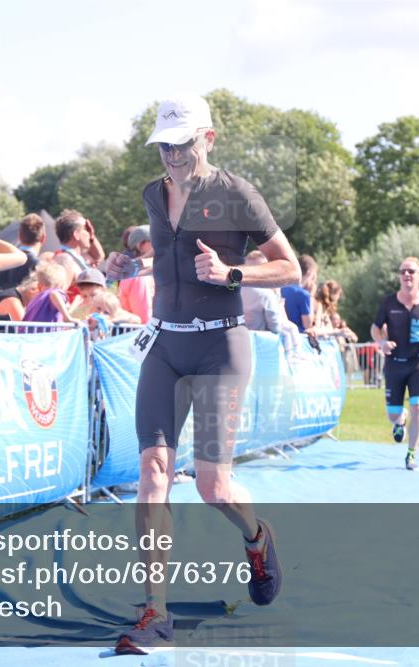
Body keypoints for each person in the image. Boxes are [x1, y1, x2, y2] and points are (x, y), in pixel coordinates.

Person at [102, 95, 300, 654]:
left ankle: (258, 539)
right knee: (154, 470)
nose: (171, 155)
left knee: (213, 486)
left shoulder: (236, 194)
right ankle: (155, 612)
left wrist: (234, 271)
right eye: (163, 145)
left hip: (221, 347)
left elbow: (288, 265)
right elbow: (164, 262)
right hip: (165, 347)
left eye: (181, 144)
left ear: (207, 139)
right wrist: (125, 266)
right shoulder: (152, 194)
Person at [370, 256, 419, 471]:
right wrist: (381, 342)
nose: (406, 275)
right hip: (394, 364)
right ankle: (400, 420)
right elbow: (375, 328)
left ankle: (411, 454)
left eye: (411, 271)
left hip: (417, 364)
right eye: (403, 271)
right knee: (393, 414)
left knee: (418, 408)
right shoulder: (389, 302)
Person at [53, 209, 105, 303]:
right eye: (86, 230)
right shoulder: (65, 259)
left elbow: (99, 257)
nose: (89, 234)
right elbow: (57, 295)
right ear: (76, 234)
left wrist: (92, 236)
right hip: (74, 316)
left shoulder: (76, 257)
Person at [0, 212, 45, 291]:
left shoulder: (5, 259)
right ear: (43, 238)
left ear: (19, 236)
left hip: (2, 301)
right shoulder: (40, 266)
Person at [241, 250, 288, 333]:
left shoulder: (235, 291)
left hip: (240, 338)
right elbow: (276, 327)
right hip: (261, 342)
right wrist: (279, 305)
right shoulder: (266, 294)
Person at [118, 225, 155, 324]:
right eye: (155, 240)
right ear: (140, 246)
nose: (160, 244)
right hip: (141, 333)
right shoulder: (139, 276)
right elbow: (144, 316)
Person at [281, 254, 316, 332]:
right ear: (309, 273)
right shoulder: (304, 295)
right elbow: (308, 325)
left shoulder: (280, 288)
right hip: (298, 337)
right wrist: (311, 295)